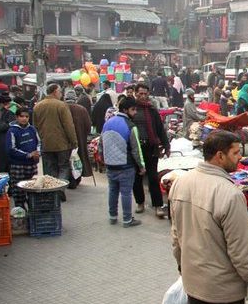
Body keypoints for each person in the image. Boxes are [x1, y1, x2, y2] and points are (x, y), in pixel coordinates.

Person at [170, 131, 248, 304]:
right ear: (219, 156)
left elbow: (176, 236)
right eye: (235, 152)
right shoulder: (230, 194)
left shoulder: (181, 182)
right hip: (223, 289)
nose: (240, 157)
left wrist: (182, 265)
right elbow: (241, 252)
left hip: (193, 279)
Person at [99, 97, 145, 228]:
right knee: (126, 193)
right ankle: (127, 219)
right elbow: (136, 150)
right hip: (126, 165)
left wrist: (102, 159)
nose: (135, 112)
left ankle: (112, 216)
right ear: (125, 110)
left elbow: (101, 143)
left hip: (110, 165)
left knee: (113, 191)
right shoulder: (131, 126)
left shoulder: (108, 122)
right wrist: (141, 166)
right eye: (133, 109)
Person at [132, 84, 170, 218]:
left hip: (151, 147)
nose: (143, 96)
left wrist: (166, 145)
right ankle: (140, 203)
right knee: (137, 177)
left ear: (148, 95)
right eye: (140, 94)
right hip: (136, 149)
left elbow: (160, 129)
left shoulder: (152, 110)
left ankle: (158, 205)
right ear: (135, 94)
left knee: (153, 177)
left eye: (145, 94)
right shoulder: (132, 109)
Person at [32, 84, 78, 183]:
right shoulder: (61, 105)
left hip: (46, 143)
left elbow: (35, 125)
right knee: (63, 167)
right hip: (62, 144)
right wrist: (74, 141)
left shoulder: (38, 106)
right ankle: (60, 188)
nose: (61, 94)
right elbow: (69, 125)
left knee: (50, 168)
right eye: (60, 92)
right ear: (55, 92)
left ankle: (53, 189)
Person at [6, 107, 40, 209]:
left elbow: (39, 143)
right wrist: (28, 155)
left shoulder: (32, 129)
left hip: (31, 165)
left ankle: (32, 213)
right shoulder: (12, 131)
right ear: (17, 117)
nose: (24, 118)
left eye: (26, 116)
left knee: (32, 190)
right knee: (19, 192)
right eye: (22, 116)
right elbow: (11, 149)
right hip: (17, 166)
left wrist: (38, 153)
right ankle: (21, 212)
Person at [64, 90, 94, 184]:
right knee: (78, 158)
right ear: (75, 98)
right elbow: (88, 125)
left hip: (65, 140)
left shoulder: (62, 107)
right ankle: (77, 178)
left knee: (66, 160)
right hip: (80, 138)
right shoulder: (81, 109)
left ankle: (69, 179)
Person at [0, 92, 16, 173]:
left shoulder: (11, 110)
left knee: (4, 161)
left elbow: (11, 123)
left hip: (6, 138)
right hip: (2, 138)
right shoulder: (6, 110)